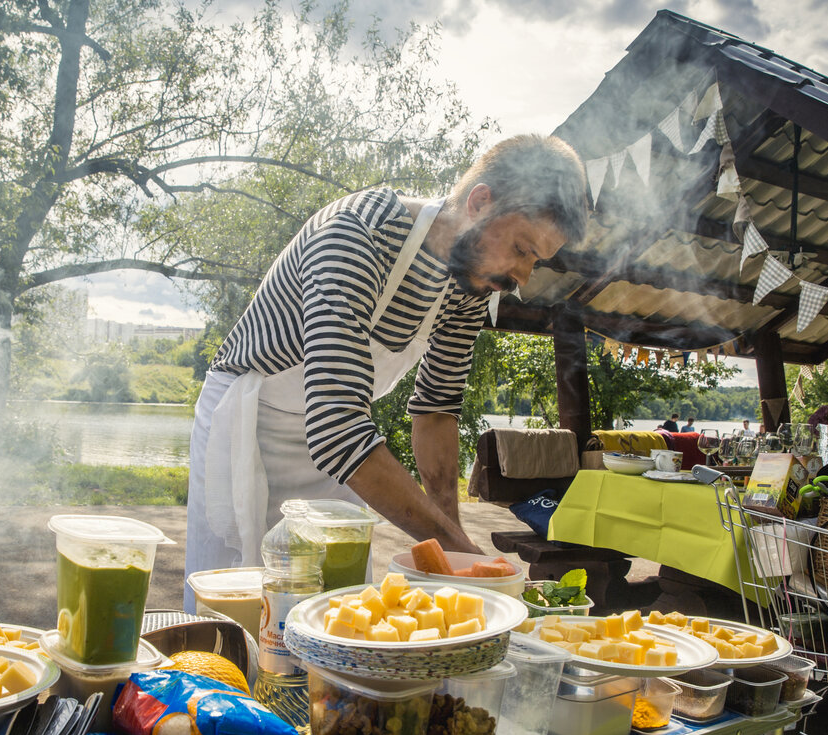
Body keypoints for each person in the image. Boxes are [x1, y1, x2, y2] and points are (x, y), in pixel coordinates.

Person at [184, 135, 589, 606]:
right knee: (233, 597)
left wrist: (452, 563)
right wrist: (466, 553)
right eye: (522, 249)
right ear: (480, 202)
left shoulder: (473, 284)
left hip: (339, 446)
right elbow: (336, 427)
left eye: (535, 261)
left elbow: (436, 410)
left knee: (337, 600)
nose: (523, 276)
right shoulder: (356, 234)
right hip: (248, 420)